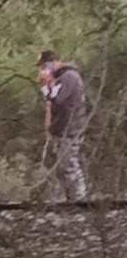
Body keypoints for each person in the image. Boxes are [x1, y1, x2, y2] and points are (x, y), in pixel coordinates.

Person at [36, 50, 90, 201]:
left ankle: (80, 200)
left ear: (52, 63)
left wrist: (46, 85)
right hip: (62, 129)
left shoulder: (69, 77)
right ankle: (66, 198)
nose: (42, 70)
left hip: (70, 129)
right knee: (56, 165)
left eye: (44, 66)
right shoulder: (63, 78)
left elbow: (57, 100)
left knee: (69, 165)